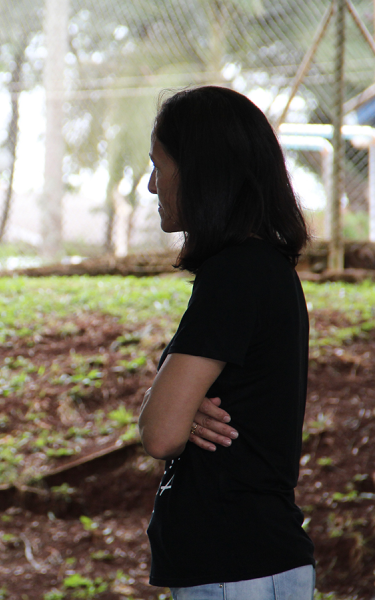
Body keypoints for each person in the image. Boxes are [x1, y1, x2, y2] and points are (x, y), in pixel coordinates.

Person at [138, 85, 315, 599]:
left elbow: (160, 433)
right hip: (241, 568)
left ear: (200, 173)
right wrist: (178, 407)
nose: (152, 185)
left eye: (159, 166)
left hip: (238, 569)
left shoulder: (236, 274)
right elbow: (172, 417)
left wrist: (172, 409)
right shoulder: (253, 268)